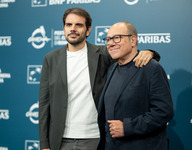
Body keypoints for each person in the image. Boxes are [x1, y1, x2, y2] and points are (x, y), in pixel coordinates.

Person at [39, 8, 159, 150]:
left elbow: (130, 55)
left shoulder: (103, 53)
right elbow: (44, 104)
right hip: (60, 139)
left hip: (95, 138)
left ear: (88, 30)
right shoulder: (51, 59)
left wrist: (150, 53)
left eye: (79, 25)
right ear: (64, 28)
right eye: (69, 25)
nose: (73, 29)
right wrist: (44, 144)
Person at [97, 21, 174, 150]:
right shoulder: (112, 68)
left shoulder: (151, 68)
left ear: (133, 40)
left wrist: (127, 127)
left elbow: (164, 111)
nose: (110, 43)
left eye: (117, 38)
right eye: (108, 39)